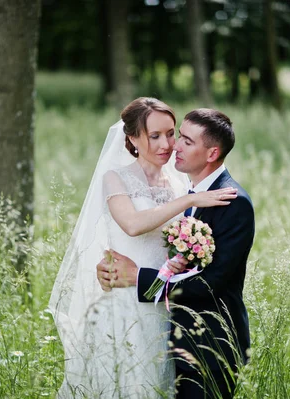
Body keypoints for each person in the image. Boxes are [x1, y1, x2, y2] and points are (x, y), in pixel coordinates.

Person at [49, 98, 237, 399]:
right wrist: (188, 201)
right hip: (125, 306)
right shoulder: (116, 178)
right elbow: (133, 225)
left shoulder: (179, 183)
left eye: (171, 133)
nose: (168, 144)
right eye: (155, 136)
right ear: (134, 139)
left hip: (164, 306)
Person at [97, 108, 255, 399]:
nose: (174, 146)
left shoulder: (232, 203)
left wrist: (137, 277)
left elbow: (209, 285)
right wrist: (108, 267)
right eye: (177, 136)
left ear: (211, 154)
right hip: (171, 337)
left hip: (210, 346)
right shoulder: (185, 190)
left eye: (185, 140)